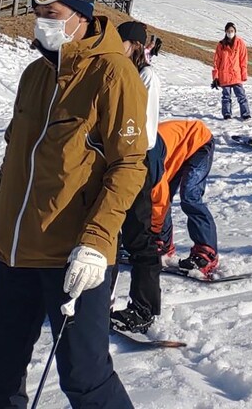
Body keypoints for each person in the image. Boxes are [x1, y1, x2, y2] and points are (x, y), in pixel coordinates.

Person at [0, 0, 146, 409]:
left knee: (84, 379)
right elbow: (16, 159)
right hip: (18, 254)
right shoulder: (34, 75)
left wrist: (97, 241)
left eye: (52, 16)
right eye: (39, 15)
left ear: (81, 14)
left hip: (76, 257)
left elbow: (129, 166)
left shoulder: (113, 74)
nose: (42, 24)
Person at [112, 21, 167, 335]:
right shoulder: (121, 73)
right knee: (107, 235)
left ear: (133, 44)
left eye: (121, 42)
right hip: (116, 160)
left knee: (138, 236)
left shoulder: (146, 76)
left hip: (136, 162)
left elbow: (144, 132)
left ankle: (144, 309)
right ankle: (95, 301)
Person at [139, 120, 219, 290]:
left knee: (191, 197)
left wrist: (153, 234)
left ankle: (207, 252)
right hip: (175, 152)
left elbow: (159, 201)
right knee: (157, 197)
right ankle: (164, 245)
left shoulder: (148, 165)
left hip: (199, 142)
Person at [212, 23, 251, 121]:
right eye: (228, 31)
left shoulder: (240, 43)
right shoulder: (221, 45)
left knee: (241, 95)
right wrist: (215, 76)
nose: (230, 33)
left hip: (236, 74)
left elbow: (243, 59)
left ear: (235, 31)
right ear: (225, 32)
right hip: (224, 74)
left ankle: (245, 113)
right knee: (226, 96)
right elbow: (216, 61)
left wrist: (244, 74)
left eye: (232, 31)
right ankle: (227, 114)